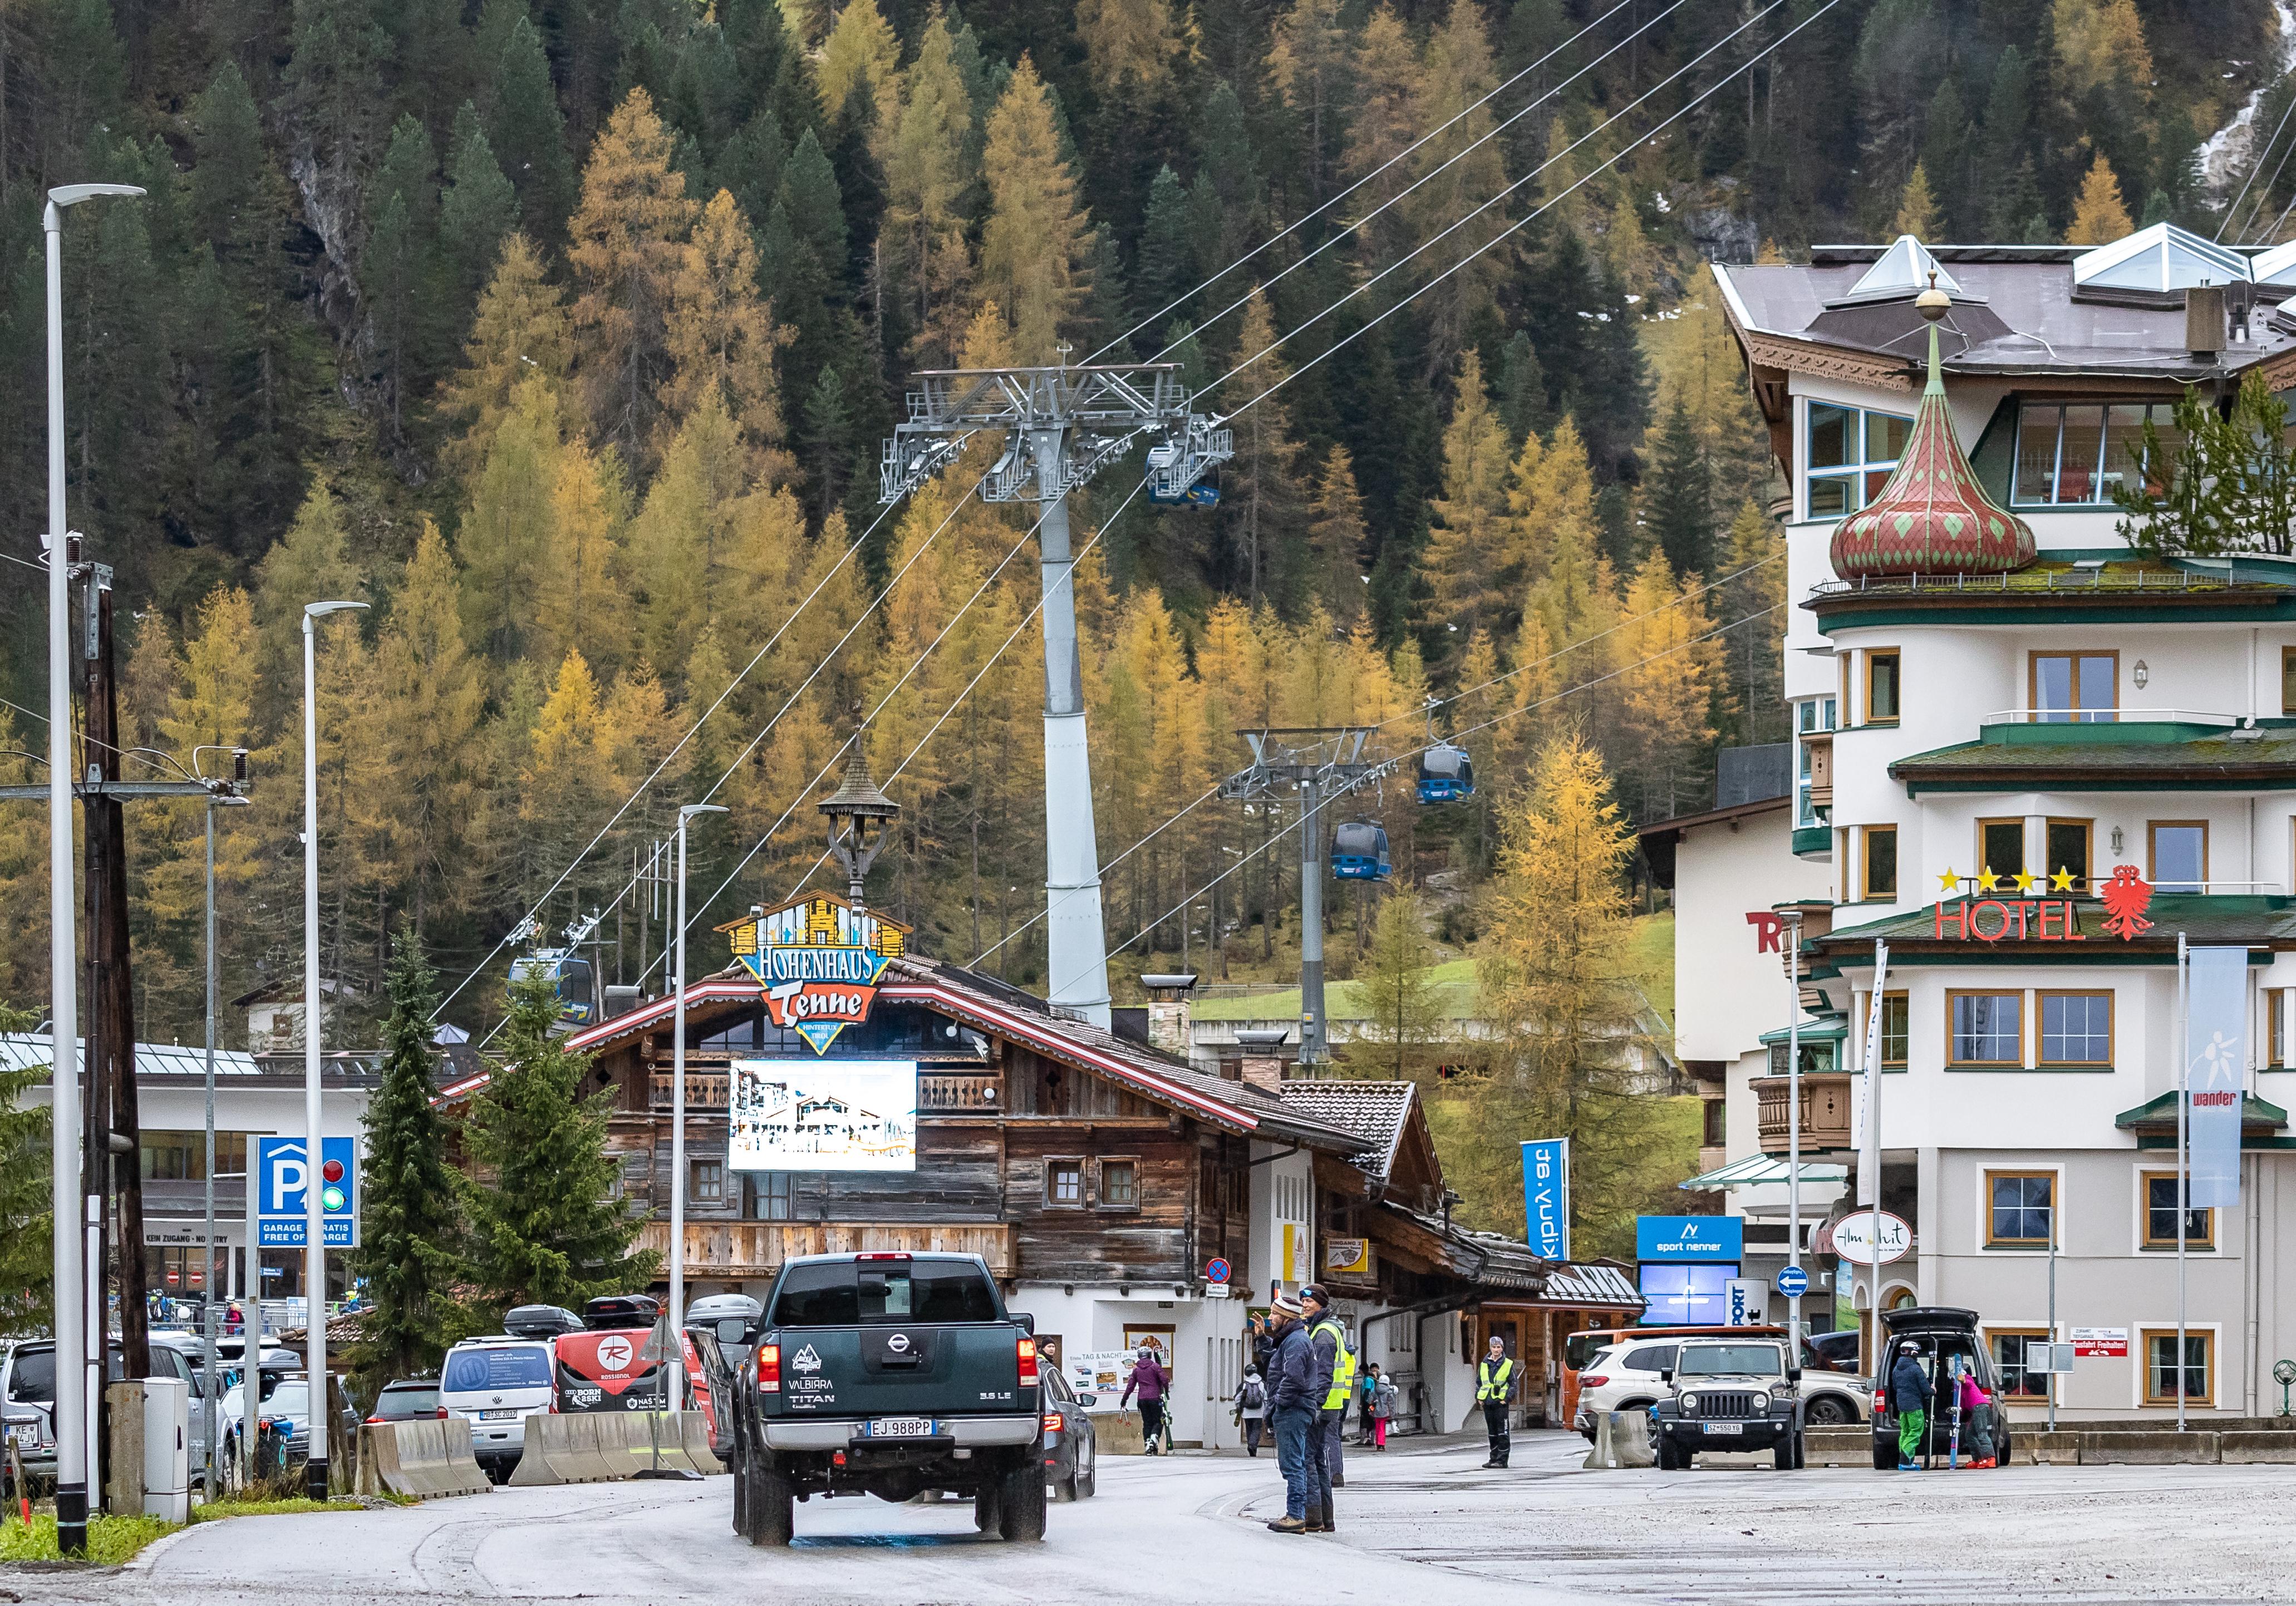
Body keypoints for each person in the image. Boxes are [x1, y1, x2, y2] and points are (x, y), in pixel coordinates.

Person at [1263, 1294, 1319, 1533]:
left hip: (1293, 1409)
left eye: (1274, 1313)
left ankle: (1296, 1516)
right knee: (1296, 1462)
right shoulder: (1294, 1338)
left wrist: (1278, 1404)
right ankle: (1297, 1514)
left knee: (1293, 1464)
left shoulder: (1295, 1341)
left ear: (1286, 1317)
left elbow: (1293, 1378)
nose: (1270, 1317)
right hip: (1297, 1408)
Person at [1302, 1284, 1353, 1517]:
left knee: (1310, 1461)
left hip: (1322, 1406)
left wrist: (1315, 1404)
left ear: (1321, 1305)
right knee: (1319, 1459)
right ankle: (1325, 1517)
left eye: (1309, 1302)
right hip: (1331, 1404)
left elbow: (1322, 1375)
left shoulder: (1323, 1335)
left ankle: (1313, 1516)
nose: (1304, 1305)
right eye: (1303, 1301)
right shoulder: (1327, 1330)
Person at [1476, 1334, 1516, 1468]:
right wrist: (1479, 1397)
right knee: (1492, 1433)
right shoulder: (1484, 1364)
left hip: (1500, 1403)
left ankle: (1502, 1460)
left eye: (1499, 1347)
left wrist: (1506, 1399)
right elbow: (1479, 1382)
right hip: (1487, 1402)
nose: (1496, 1350)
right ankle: (1493, 1458)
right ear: (1491, 1348)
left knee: (1502, 1432)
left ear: (1502, 1348)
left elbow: (1513, 1384)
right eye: (1494, 1347)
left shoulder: (1508, 1364)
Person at [1122, 1345, 1169, 1455]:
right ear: (1149, 1355)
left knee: (1147, 1423)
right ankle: (1154, 1438)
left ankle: (1148, 1445)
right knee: (1158, 1421)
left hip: (1142, 1400)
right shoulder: (1155, 1367)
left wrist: (1124, 1399)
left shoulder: (1136, 1370)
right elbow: (1164, 1380)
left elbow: (1131, 1386)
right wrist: (1166, 1391)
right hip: (1155, 1398)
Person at [1890, 1340, 1930, 1470]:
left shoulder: (1896, 1368)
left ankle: (1903, 1461)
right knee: (1916, 1431)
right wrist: (1933, 1390)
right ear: (1913, 1353)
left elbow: (1895, 1387)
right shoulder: (1915, 1368)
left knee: (1905, 1432)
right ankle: (1906, 1462)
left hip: (1901, 1405)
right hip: (1914, 1405)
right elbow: (1926, 1389)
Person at [1957, 1363, 1995, 1468]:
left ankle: (1990, 1458)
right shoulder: (1960, 1389)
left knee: (1982, 1433)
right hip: (1976, 1409)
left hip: (1980, 1407)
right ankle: (1978, 1459)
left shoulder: (1967, 1380)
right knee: (1969, 1434)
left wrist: (1963, 1379)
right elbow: (1963, 1405)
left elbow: (1968, 1383)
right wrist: (1957, 1416)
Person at [1233, 1365, 1268, 1456]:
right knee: (1256, 1430)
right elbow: (1266, 1398)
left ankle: (1251, 1445)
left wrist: (1240, 1407)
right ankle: (1253, 1446)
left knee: (1249, 1429)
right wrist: (1266, 1410)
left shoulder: (1245, 1385)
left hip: (1247, 1412)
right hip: (1259, 1412)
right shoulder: (1262, 1384)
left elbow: (1239, 1398)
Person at [1369, 1366, 1397, 1451]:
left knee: (1378, 1427)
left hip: (1376, 1412)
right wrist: (1392, 1415)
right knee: (1382, 1428)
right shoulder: (1389, 1391)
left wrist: (1370, 1411)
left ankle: (1378, 1443)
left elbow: (1370, 1400)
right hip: (1385, 1412)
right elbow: (1391, 1404)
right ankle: (1382, 1443)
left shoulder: (1375, 1390)